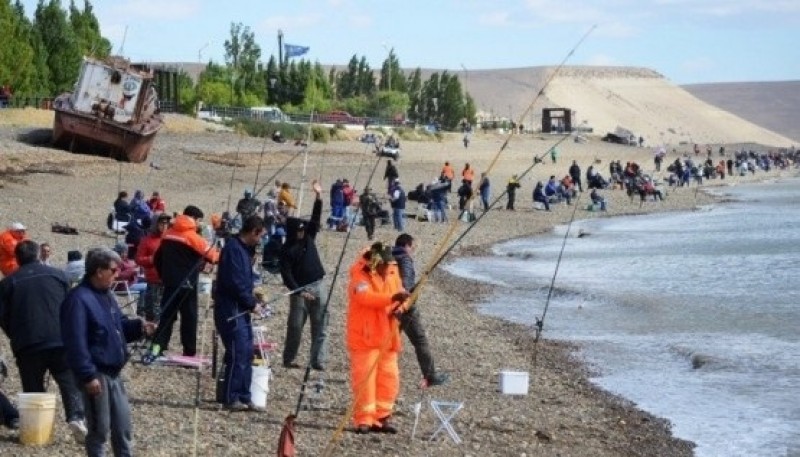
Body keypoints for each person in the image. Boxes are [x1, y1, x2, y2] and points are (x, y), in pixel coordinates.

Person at [61, 247, 156, 456]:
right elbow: (75, 342)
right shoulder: (77, 299)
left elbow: (119, 327)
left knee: (123, 429)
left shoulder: (107, 295)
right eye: (114, 270)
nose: (117, 275)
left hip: (115, 372)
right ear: (98, 271)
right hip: (96, 374)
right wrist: (88, 376)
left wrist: (140, 328)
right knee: (99, 431)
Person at [0, 240, 87, 442]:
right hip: (60, 338)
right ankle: (76, 416)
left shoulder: (8, 283)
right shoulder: (59, 275)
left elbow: (2, 316)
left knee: (33, 386)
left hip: (28, 342)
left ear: (18, 258)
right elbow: (71, 305)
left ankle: (38, 430)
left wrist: (14, 333)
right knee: (68, 380)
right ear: (38, 255)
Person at [347, 242, 408, 434]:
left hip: (388, 334)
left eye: (388, 265)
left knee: (389, 378)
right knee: (365, 379)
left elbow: (402, 297)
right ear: (376, 262)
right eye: (383, 265)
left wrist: (401, 307)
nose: (386, 268)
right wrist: (392, 299)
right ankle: (364, 419)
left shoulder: (392, 270)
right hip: (365, 336)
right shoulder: (360, 273)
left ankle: (382, 417)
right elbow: (365, 297)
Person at [152, 205, 220, 358]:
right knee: (189, 319)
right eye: (199, 221)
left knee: (166, 317)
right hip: (187, 285)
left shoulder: (168, 234)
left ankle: (157, 348)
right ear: (194, 219)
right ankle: (189, 352)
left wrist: (164, 276)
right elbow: (214, 257)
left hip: (169, 283)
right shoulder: (193, 237)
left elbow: (157, 259)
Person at [214, 215, 266, 410]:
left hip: (241, 307)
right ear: (254, 232)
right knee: (237, 352)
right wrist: (251, 303)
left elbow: (244, 281)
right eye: (260, 236)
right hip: (230, 308)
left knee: (247, 352)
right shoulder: (233, 249)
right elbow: (235, 282)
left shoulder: (243, 250)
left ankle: (244, 395)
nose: (260, 240)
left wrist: (254, 297)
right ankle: (231, 396)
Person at [279, 180, 327, 370]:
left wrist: (318, 196)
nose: (302, 231)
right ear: (292, 231)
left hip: (319, 285)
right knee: (295, 327)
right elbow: (286, 274)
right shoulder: (286, 249)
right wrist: (298, 292)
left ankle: (318, 361)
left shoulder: (309, 237)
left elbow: (315, 219)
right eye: (299, 229)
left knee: (320, 326)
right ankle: (289, 359)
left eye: (303, 229)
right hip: (299, 290)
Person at [392, 234, 448, 387]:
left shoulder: (389, 257)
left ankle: (376, 367)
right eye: (413, 247)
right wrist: (413, 289)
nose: (413, 251)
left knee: (389, 338)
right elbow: (407, 286)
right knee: (420, 340)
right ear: (407, 245)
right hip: (405, 307)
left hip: (389, 306)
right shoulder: (405, 259)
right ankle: (430, 375)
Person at [136, 214, 170, 321]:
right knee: (152, 310)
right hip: (153, 280)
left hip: (168, 280)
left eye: (166, 223)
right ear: (156, 224)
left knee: (166, 309)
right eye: (162, 223)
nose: (164, 226)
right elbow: (138, 259)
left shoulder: (170, 239)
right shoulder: (146, 240)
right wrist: (152, 259)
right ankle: (152, 332)